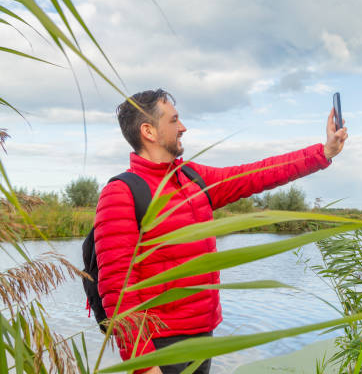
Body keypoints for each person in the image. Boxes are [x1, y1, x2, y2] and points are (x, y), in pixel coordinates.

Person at [94, 89, 347, 374]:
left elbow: (257, 174)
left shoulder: (192, 178)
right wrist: (144, 366)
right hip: (162, 346)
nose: (183, 127)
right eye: (174, 120)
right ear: (148, 131)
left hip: (203, 339)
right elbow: (118, 292)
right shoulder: (121, 193)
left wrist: (323, 153)